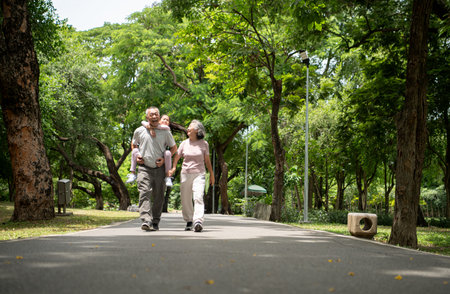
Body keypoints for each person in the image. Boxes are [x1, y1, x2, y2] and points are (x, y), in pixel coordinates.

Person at [133, 107, 177, 231]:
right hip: (144, 168)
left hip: (159, 169)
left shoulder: (165, 132)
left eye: (156, 114)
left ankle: (155, 220)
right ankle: (146, 220)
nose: (154, 116)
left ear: (159, 117)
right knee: (144, 192)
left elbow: (174, 148)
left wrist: (164, 159)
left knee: (159, 196)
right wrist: (137, 156)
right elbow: (134, 145)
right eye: (151, 114)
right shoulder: (139, 131)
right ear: (147, 117)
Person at [169, 120, 214, 232]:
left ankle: (198, 221)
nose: (187, 128)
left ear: (197, 130)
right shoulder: (184, 143)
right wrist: (174, 167)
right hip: (185, 173)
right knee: (185, 199)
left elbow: (207, 161)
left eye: (190, 127)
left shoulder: (204, 144)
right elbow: (177, 157)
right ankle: (189, 220)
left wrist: (212, 174)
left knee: (198, 196)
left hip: (199, 174)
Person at [126, 116, 170, 184]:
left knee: (168, 153)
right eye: (164, 119)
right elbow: (143, 122)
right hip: (145, 158)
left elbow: (174, 147)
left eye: (167, 120)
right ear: (159, 121)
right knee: (134, 151)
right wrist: (150, 128)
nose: (165, 121)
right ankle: (132, 173)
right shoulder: (149, 126)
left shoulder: (166, 131)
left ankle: (168, 176)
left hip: (159, 159)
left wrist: (151, 128)